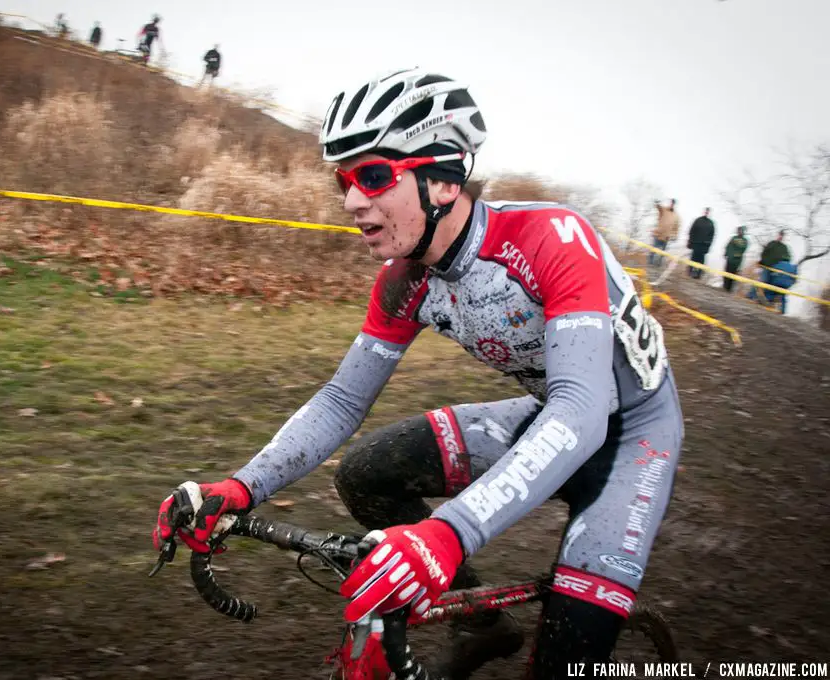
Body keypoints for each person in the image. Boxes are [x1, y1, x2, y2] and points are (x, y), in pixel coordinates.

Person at [152, 68, 683, 679]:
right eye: (344, 181)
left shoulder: (550, 238)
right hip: (554, 413)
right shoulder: (404, 281)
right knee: (367, 475)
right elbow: (341, 402)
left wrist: (448, 533)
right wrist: (241, 488)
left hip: (631, 432)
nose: (353, 201)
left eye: (374, 177)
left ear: (444, 178)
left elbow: (584, 409)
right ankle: (483, 624)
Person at [686, 208, 715, 279]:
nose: (706, 213)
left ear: (709, 213)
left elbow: (712, 235)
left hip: (704, 246)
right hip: (696, 243)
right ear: (704, 212)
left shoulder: (711, 223)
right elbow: (692, 231)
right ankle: (689, 272)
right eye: (706, 211)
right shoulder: (698, 220)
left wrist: (708, 245)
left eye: (708, 212)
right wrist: (690, 241)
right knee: (693, 258)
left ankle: (698, 275)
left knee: (701, 260)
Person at [649, 198, 680, 266]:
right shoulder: (664, 209)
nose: (672, 204)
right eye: (671, 203)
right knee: (654, 249)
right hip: (658, 234)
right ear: (670, 203)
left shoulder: (676, 215)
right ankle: (650, 264)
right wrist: (657, 203)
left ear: (674, 205)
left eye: (673, 203)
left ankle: (658, 265)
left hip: (666, 237)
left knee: (662, 252)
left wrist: (675, 236)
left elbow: (676, 227)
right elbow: (659, 208)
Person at [722, 226, 748, 292]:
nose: (739, 232)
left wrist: (737, 253)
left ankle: (729, 289)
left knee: (733, 274)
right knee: (726, 272)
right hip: (730, 259)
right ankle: (724, 286)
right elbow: (728, 246)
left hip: (737, 260)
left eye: (741, 231)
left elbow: (743, 248)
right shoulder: (733, 238)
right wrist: (726, 253)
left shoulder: (745, 240)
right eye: (738, 230)